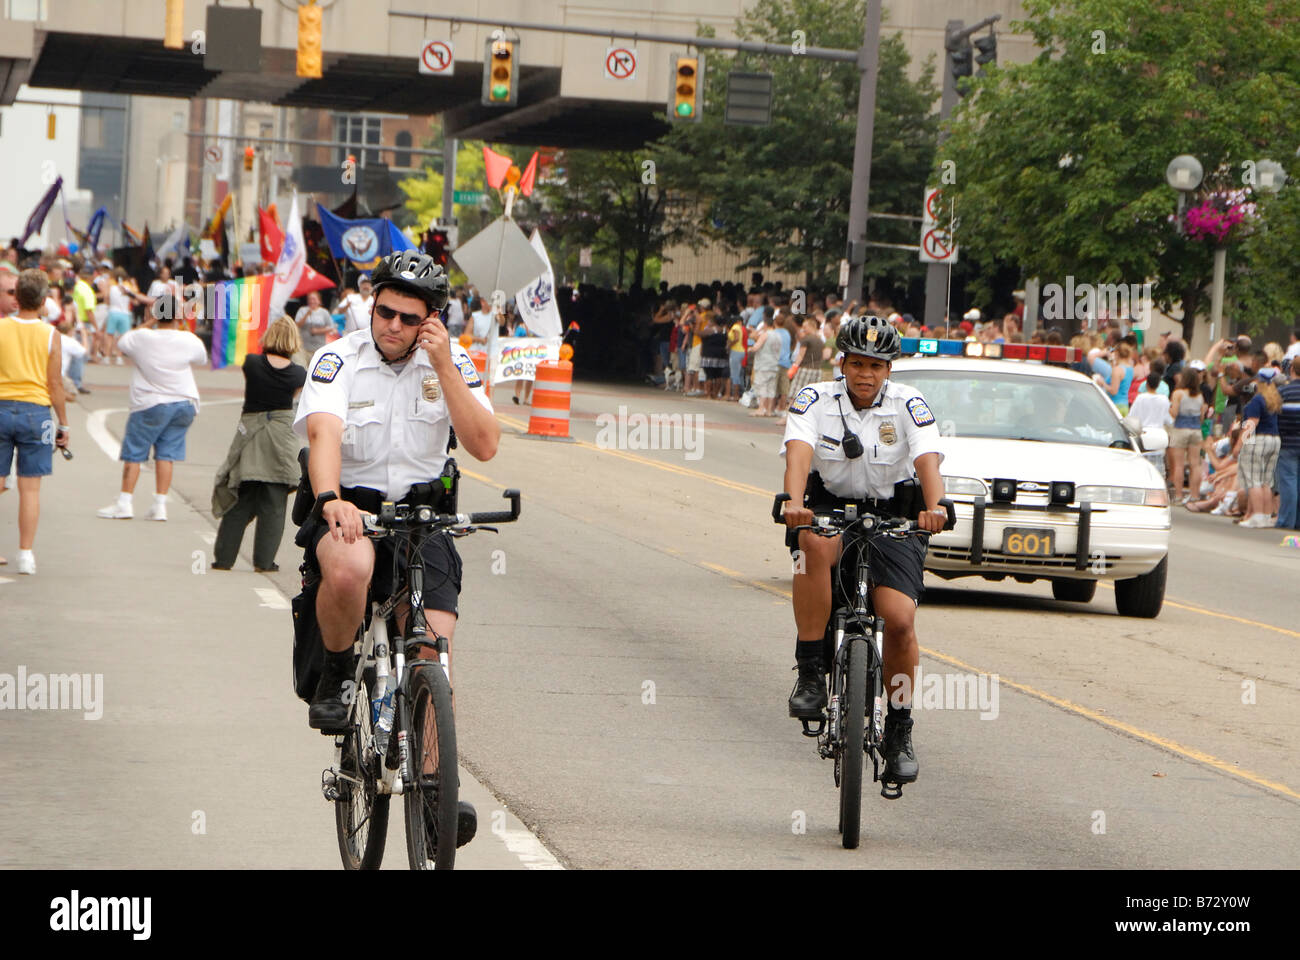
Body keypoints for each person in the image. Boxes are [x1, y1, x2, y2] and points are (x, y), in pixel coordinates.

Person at [294, 249, 499, 849]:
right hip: (351, 507)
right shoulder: (339, 358)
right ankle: (336, 676)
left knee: (435, 640)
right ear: (372, 304)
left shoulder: (452, 360)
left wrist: (446, 366)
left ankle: (435, 786)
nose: (392, 325)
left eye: (410, 318)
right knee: (352, 568)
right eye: (385, 311)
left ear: (431, 320)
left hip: (422, 513)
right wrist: (330, 498)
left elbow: (485, 445)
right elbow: (322, 433)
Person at [781, 315, 947, 786]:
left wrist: (936, 508)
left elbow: (927, 460)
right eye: (857, 363)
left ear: (889, 369)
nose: (865, 374)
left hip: (895, 515)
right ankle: (811, 673)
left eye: (876, 365)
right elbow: (798, 452)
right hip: (829, 508)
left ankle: (898, 728)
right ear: (842, 363)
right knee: (810, 544)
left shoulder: (910, 404)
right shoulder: (815, 398)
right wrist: (795, 504)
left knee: (899, 620)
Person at [96, 292, 208, 521]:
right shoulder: (190, 340)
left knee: (135, 453)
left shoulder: (142, 338)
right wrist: (180, 322)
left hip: (150, 403)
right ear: (177, 315)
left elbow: (123, 341)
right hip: (184, 403)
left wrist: (151, 321)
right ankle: (160, 505)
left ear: (156, 314)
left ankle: (125, 503)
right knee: (166, 454)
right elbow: (201, 358)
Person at [211, 317, 308, 572]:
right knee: (274, 507)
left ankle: (224, 558)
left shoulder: (252, 364)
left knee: (240, 501)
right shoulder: (299, 373)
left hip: (250, 437)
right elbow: (293, 396)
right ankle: (264, 562)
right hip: (280, 441)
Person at [0, 269, 69, 574]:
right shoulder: (51, 335)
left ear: (16, 296)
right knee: (31, 489)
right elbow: (55, 384)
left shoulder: (1, 328)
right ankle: (26, 554)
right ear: (43, 301)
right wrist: (63, 424)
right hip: (37, 413)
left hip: (1, 407)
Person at [1234, 368, 1283, 527]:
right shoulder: (1275, 399)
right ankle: (1267, 515)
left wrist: (1239, 443)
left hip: (1260, 439)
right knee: (1266, 481)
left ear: (1259, 382)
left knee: (1254, 479)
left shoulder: (1257, 400)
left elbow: (1252, 423)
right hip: (1274, 440)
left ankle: (1258, 515)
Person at [1128, 371, 1172, 480]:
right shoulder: (1164, 399)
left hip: (1143, 436)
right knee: (1157, 471)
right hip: (1159, 437)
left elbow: (1132, 416)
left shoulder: (1140, 398)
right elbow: (1168, 419)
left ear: (1146, 384)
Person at [1275, 360, 1300, 529]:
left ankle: (1286, 521)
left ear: (1291, 369)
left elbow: (1275, 417)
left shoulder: (1283, 391)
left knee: (1288, 482)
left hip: (1287, 443)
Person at [295, 290, 334, 363]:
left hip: (319, 347)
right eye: (310, 299)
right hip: (304, 347)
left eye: (314, 299)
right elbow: (297, 325)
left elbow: (331, 327)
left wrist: (318, 331)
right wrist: (306, 315)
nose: (312, 301)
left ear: (319, 301)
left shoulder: (324, 312)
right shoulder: (302, 310)